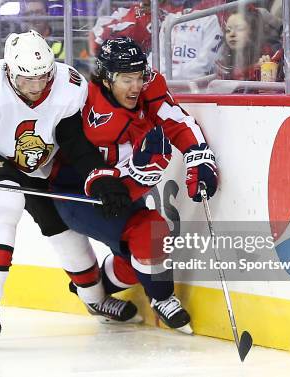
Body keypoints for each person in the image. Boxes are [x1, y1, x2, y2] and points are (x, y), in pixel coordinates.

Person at [0, 30, 136, 347]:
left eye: (42, 78)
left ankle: (94, 298)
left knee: (65, 229)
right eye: (27, 80)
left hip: (40, 163)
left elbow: (75, 142)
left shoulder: (70, 86)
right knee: (5, 202)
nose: (36, 87)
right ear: (10, 71)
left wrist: (99, 175)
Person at [51, 37, 219, 334]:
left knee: (137, 256)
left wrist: (199, 157)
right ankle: (162, 297)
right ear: (105, 77)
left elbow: (176, 120)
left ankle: (95, 290)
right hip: (78, 191)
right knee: (148, 231)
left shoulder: (149, 87)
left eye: (139, 76)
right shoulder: (80, 97)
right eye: (126, 79)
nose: (136, 86)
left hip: (122, 182)